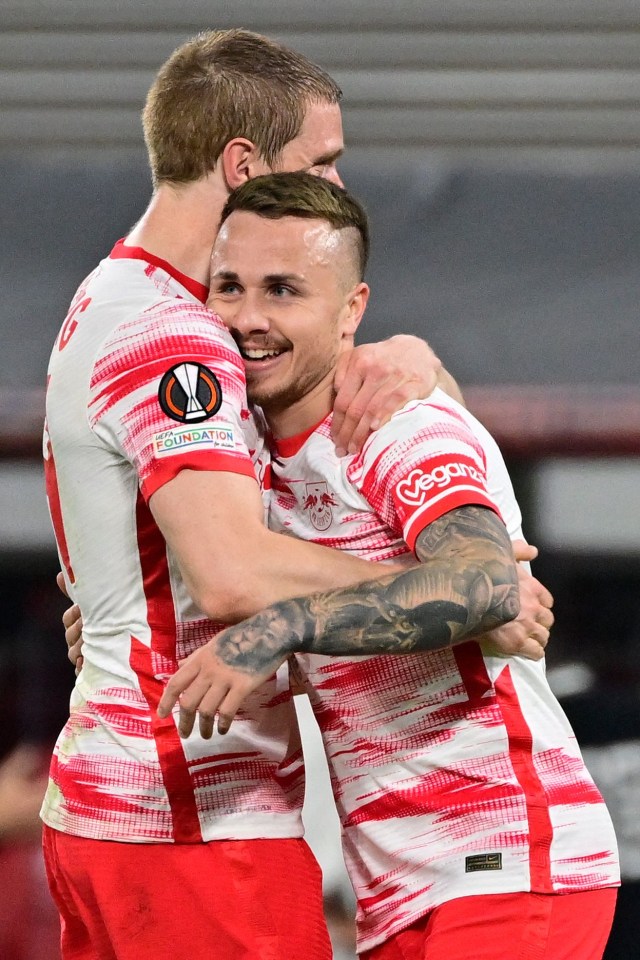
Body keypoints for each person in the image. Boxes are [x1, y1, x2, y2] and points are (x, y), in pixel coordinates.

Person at [43, 28, 531, 960]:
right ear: (242, 164)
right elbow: (230, 574)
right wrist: (462, 595)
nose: (340, 188)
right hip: (190, 811)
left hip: (123, 801)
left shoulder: (116, 299)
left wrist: (416, 359)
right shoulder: (175, 337)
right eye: (324, 161)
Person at [158, 172, 620, 960]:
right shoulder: (251, 468)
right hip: (397, 889)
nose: (247, 318)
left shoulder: (396, 425)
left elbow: (482, 583)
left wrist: (282, 621)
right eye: (227, 287)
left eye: (283, 290)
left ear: (352, 310)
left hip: (505, 866)